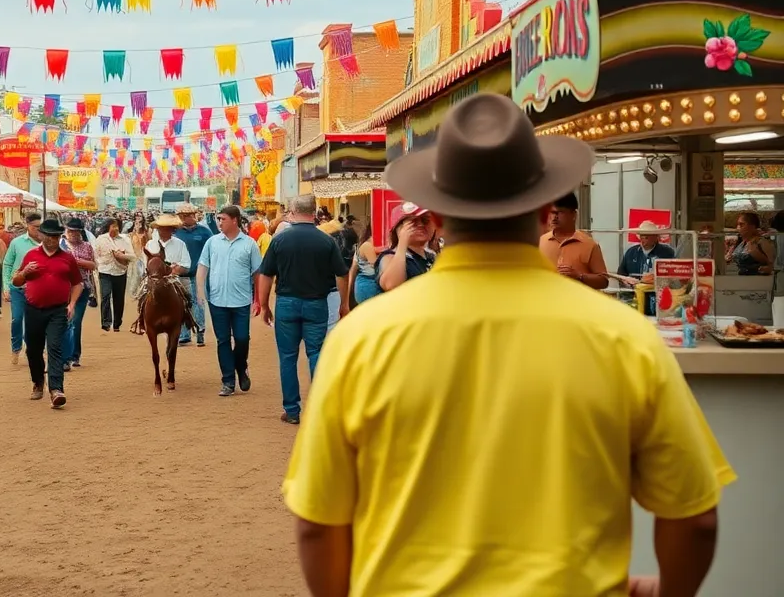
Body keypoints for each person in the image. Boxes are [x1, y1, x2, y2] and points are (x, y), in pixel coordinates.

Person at [283, 92, 734, 597]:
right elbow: (693, 518)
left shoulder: (361, 340)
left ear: (436, 215)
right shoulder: (623, 338)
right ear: (546, 212)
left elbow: (317, 524)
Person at [256, 194, 349, 425]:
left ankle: (292, 410)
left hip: (287, 303)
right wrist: (345, 303)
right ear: (314, 212)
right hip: (317, 303)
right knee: (316, 353)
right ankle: (318, 408)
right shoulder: (326, 240)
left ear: (294, 212)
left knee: (287, 357)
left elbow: (266, 274)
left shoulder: (280, 240)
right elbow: (342, 273)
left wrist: (265, 304)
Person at [13, 218, 84, 409]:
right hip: (33, 309)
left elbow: (78, 283)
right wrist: (24, 272)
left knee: (55, 348)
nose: (52, 239)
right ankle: (38, 381)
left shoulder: (67, 258)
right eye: (49, 235)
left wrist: (72, 304)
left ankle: (56, 390)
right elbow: (16, 281)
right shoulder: (30, 255)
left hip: (58, 310)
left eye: (56, 236)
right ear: (42, 235)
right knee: (33, 350)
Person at [197, 205, 262, 397]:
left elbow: (258, 274)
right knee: (223, 340)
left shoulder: (249, 244)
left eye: (222, 219)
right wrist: (200, 291)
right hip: (217, 300)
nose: (219, 222)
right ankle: (228, 381)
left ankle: (241, 367)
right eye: (218, 219)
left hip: (241, 301)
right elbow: (203, 267)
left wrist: (258, 299)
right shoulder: (212, 243)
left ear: (234, 220)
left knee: (242, 339)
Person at [540, 192, 609, 289]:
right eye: (552, 213)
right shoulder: (540, 242)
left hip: (577, 303)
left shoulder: (589, 245)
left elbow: (603, 281)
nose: (554, 218)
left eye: (560, 213)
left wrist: (579, 276)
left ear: (574, 215)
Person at [2, 213, 42, 364]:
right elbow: (7, 264)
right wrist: (6, 286)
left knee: (34, 322)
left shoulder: (45, 244)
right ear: (28, 226)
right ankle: (15, 348)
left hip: (37, 290)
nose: (38, 230)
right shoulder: (17, 243)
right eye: (35, 227)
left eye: (40, 227)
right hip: (17, 288)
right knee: (17, 319)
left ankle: (32, 348)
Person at [174, 203, 213, 347]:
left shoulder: (204, 232)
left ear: (194, 216)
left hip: (199, 274)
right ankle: (184, 334)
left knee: (199, 303)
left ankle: (200, 331)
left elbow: (211, 250)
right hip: (180, 274)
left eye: (188, 215)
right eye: (182, 216)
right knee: (182, 304)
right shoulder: (175, 233)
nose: (185, 218)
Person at [60, 218, 96, 370]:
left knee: (75, 322)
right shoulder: (59, 245)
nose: (73, 234)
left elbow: (93, 265)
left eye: (76, 231)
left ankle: (74, 355)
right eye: (70, 231)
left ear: (81, 232)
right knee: (63, 323)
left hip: (82, 288)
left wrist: (76, 261)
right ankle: (63, 355)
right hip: (62, 289)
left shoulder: (87, 246)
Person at [377, 202, 437, 294]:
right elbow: (391, 285)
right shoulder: (390, 256)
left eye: (425, 220)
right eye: (413, 221)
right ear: (398, 228)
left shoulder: (431, 255)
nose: (420, 225)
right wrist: (402, 242)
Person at [93, 217, 134, 332]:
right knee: (105, 296)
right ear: (108, 227)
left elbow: (133, 256)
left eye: (117, 226)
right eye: (113, 226)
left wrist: (122, 256)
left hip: (120, 272)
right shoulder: (101, 239)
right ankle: (106, 322)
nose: (115, 228)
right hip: (104, 271)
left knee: (119, 299)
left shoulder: (125, 239)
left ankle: (117, 323)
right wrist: (100, 264)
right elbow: (95, 254)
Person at [726, 211, 774, 276]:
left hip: (757, 280)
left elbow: (771, 266)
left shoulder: (761, 242)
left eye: (742, 224)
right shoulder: (741, 243)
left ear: (752, 226)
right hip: (740, 279)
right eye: (738, 225)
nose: (738, 228)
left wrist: (765, 267)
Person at [346, 228, 380, 306]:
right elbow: (378, 268)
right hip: (370, 287)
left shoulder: (361, 245)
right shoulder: (367, 245)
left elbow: (353, 268)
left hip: (362, 286)